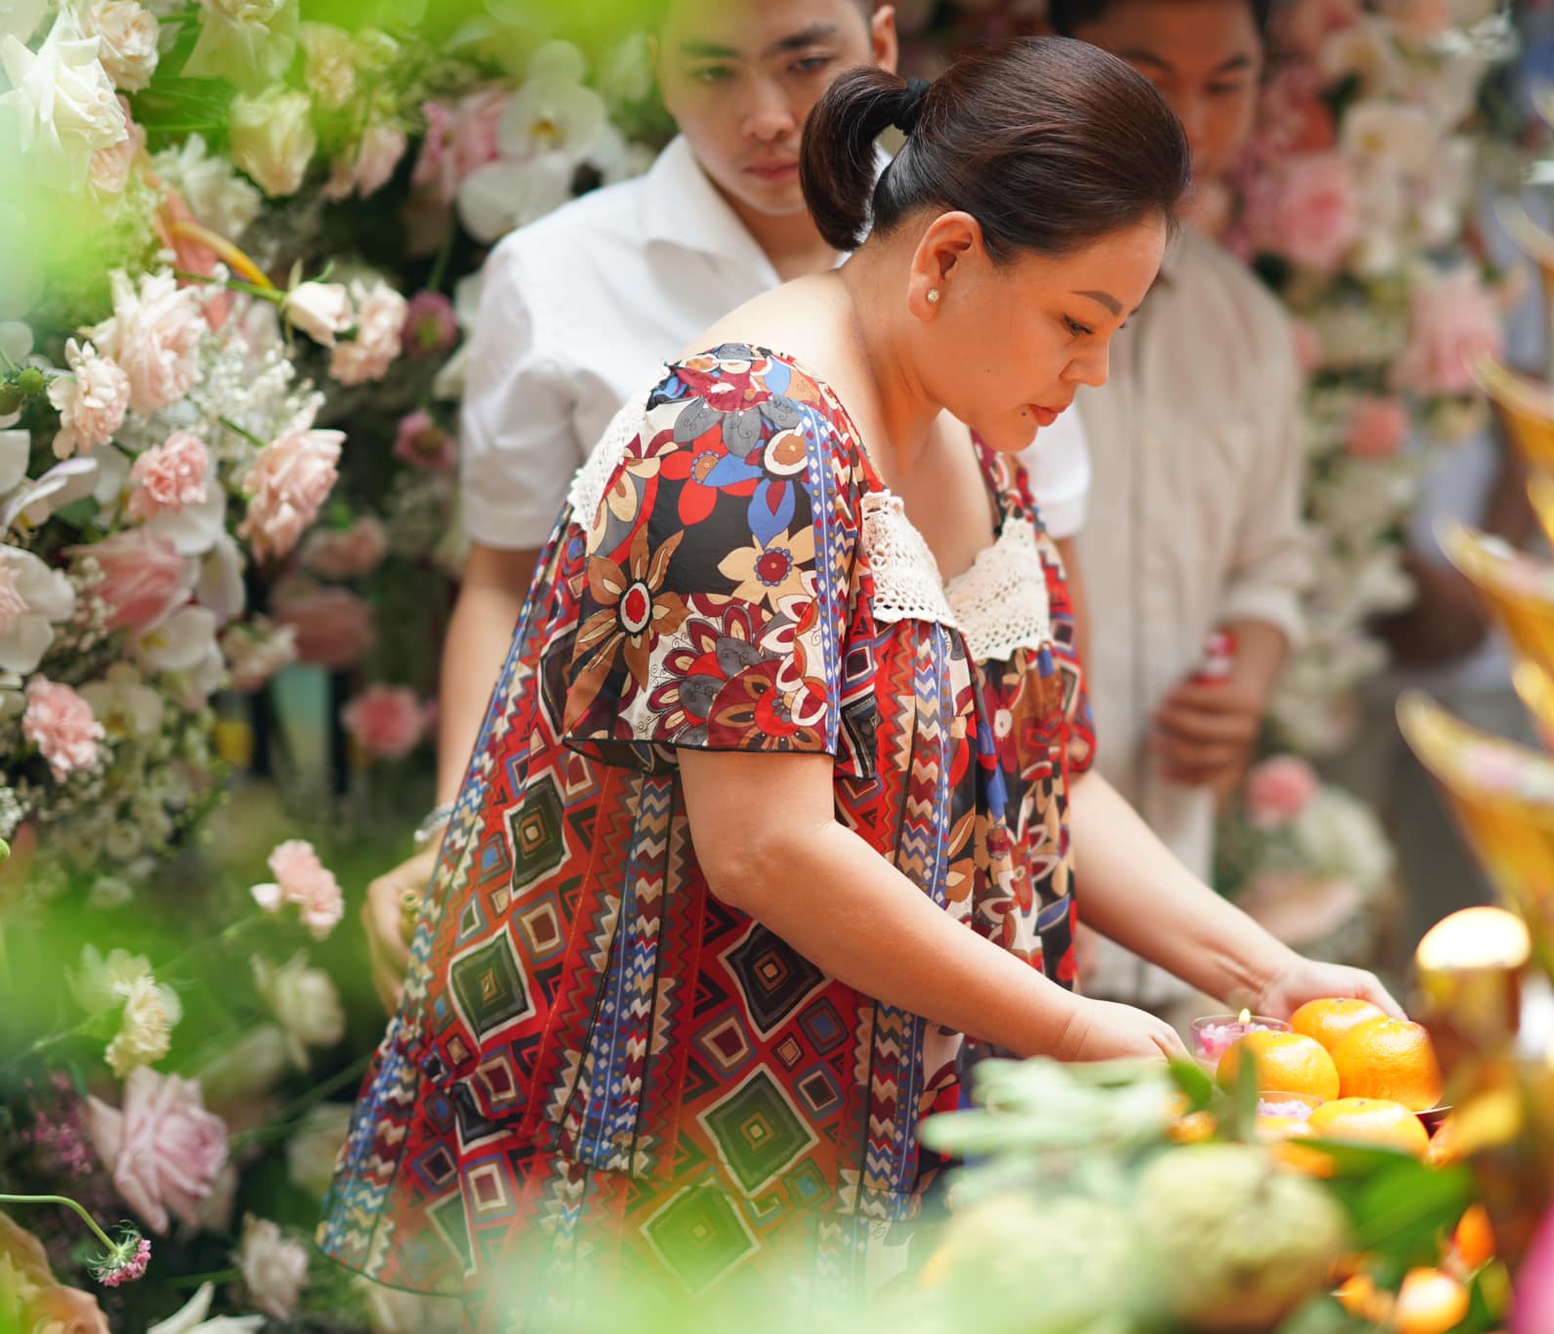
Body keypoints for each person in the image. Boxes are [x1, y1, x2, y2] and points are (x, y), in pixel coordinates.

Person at [320, 38, 1396, 1324]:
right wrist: (1062, 1024)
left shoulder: (959, 420)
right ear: (944, 258)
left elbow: (1043, 777)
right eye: (1075, 322)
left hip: (890, 1150)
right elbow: (766, 848)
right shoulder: (745, 436)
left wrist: (1261, 971)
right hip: (683, 1160)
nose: (1092, 371)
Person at [359, 0, 1095, 1006]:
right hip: (668, 923)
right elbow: (505, 583)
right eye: (710, 70)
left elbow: (1033, 640)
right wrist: (458, 831)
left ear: (879, 45)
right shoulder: (559, 279)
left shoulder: (1005, 269)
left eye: (803, 63)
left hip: (953, 933)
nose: (760, 115)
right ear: (651, 67)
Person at [1047, 0, 1317, 1014]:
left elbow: (1268, 560)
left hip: (1173, 906)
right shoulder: (974, 300)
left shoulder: (1246, 327)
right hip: (990, 906)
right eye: (1149, 75)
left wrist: (1244, 683)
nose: (1190, 123)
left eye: (1226, 83)